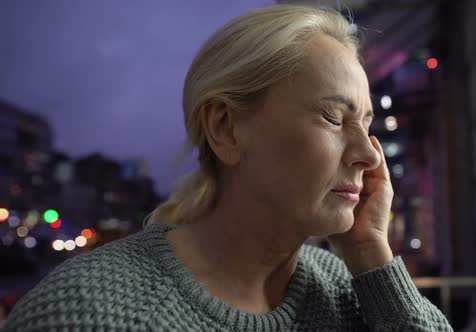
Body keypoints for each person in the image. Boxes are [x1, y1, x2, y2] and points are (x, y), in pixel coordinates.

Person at [5, 5, 453, 331]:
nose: (370, 155)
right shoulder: (86, 313)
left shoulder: (352, 288)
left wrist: (372, 254)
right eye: (334, 118)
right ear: (226, 128)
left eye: (367, 123)